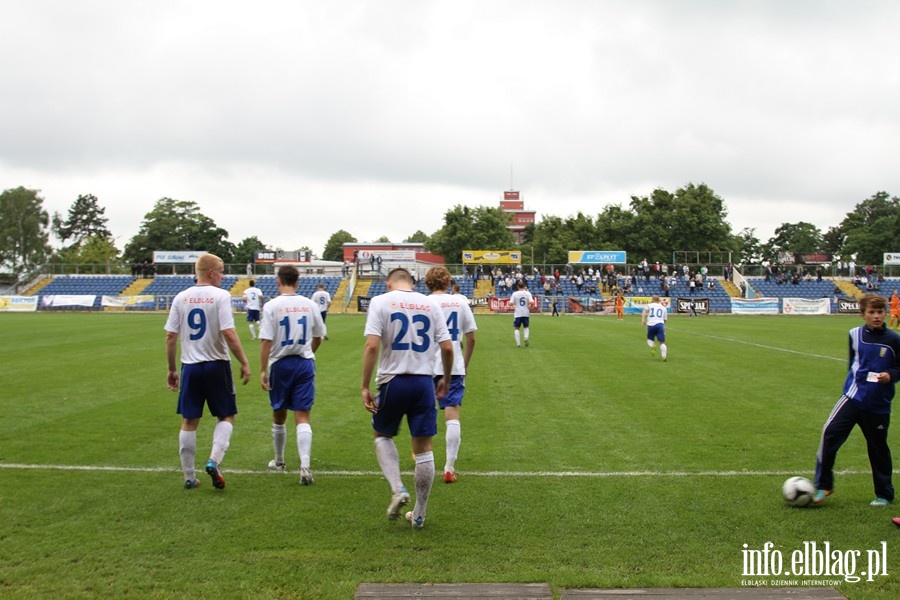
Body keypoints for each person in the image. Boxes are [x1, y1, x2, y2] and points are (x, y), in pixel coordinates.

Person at [362, 268, 453, 529]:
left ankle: (398, 488)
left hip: (393, 380)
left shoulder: (381, 301)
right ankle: (420, 513)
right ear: (412, 282)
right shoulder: (430, 303)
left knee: (382, 434)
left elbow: (371, 346)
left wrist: (364, 386)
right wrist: (444, 377)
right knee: (424, 448)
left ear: (389, 282)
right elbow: (447, 347)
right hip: (424, 382)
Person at [165, 253, 251, 490]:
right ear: (212, 272)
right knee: (226, 415)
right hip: (216, 364)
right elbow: (229, 332)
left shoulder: (181, 298)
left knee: (189, 420)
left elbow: (170, 337)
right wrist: (244, 361)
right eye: (221, 272)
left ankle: (189, 476)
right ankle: (214, 460)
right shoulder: (220, 296)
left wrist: (172, 369)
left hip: (190, 367)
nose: (223, 277)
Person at [813, 295, 900, 507]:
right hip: (852, 398)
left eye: (880, 312)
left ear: (885, 313)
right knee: (829, 433)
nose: (877, 316)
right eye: (872, 312)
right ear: (863, 314)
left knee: (878, 448)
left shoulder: (894, 340)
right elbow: (853, 365)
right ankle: (824, 484)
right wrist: (854, 384)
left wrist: (890, 375)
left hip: (878, 404)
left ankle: (884, 494)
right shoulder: (854, 334)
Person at [259, 266, 325, 486]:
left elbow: (266, 341)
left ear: (278, 281)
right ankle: (305, 466)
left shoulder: (271, 306)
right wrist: (308, 352)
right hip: (304, 363)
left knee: (279, 412)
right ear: (298, 282)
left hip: (280, 363)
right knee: (303, 415)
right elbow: (318, 337)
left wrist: (262, 370)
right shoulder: (310, 304)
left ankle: (279, 461)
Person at [424, 267, 477, 484]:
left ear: (428, 283)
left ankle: (421, 455)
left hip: (424, 367)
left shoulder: (423, 303)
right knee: (452, 415)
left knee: (422, 412)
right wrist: (463, 363)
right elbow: (472, 338)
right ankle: (448, 467)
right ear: (447, 282)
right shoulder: (460, 302)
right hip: (453, 366)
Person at [641, 296, 668, 361]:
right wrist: (662, 325)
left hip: (651, 325)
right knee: (662, 342)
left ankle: (652, 346)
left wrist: (643, 320)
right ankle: (664, 356)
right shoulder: (663, 308)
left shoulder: (649, 305)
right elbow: (665, 320)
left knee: (649, 340)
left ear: (652, 299)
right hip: (660, 325)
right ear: (658, 300)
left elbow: (644, 311)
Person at [510, 279, 534, 348]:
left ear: (518, 286)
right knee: (526, 326)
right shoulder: (528, 293)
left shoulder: (515, 293)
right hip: (526, 312)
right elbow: (532, 302)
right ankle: (526, 337)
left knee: (516, 328)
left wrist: (512, 304)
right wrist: (530, 306)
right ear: (524, 286)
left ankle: (518, 344)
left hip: (518, 313)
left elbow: (511, 303)